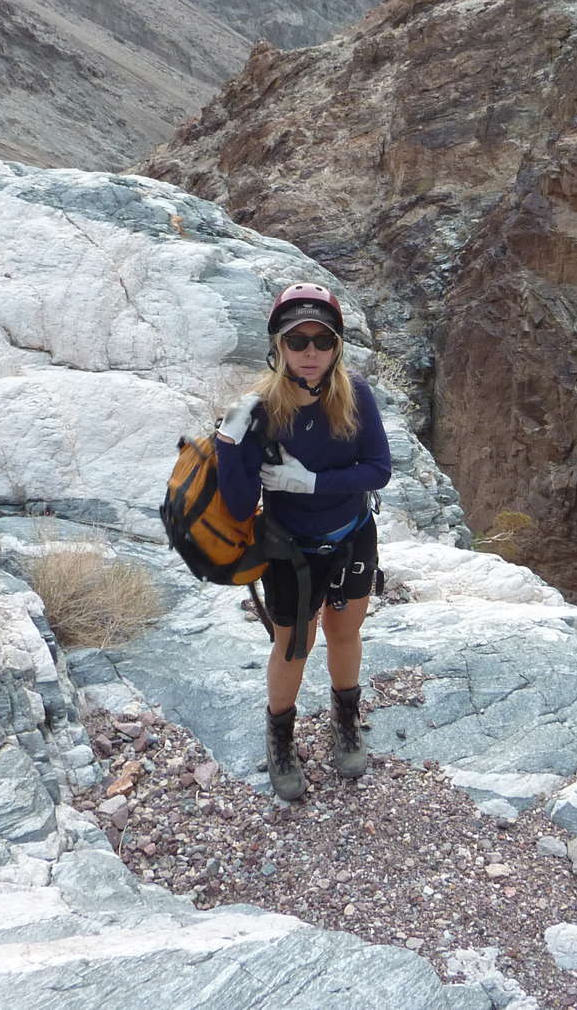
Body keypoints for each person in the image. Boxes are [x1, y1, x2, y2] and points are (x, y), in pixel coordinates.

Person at [215, 282, 392, 801]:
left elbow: (378, 469)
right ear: (279, 346)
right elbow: (238, 506)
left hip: (351, 537)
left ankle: (346, 723)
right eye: (297, 341)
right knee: (294, 645)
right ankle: (280, 740)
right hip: (289, 549)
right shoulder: (261, 410)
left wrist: (312, 482)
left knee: (345, 633)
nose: (310, 352)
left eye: (322, 340)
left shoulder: (355, 394)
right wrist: (229, 443)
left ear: (337, 346)